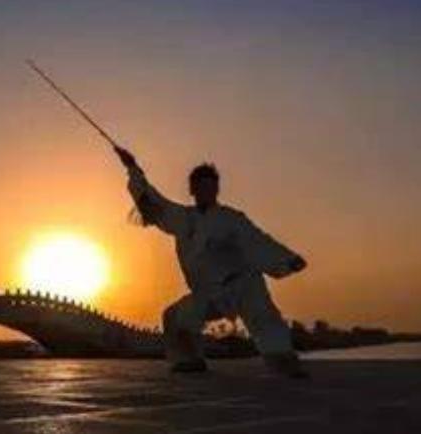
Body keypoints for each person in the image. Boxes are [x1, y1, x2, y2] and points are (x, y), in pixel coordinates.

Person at [114, 146, 308, 378]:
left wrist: (287, 259)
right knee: (175, 317)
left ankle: (286, 366)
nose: (206, 191)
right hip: (209, 294)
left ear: (216, 189)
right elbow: (155, 203)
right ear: (192, 190)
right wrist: (132, 167)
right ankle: (190, 360)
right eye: (201, 187)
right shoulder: (183, 219)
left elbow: (258, 241)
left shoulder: (232, 219)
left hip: (245, 286)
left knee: (267, 323)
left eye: (210, 187)